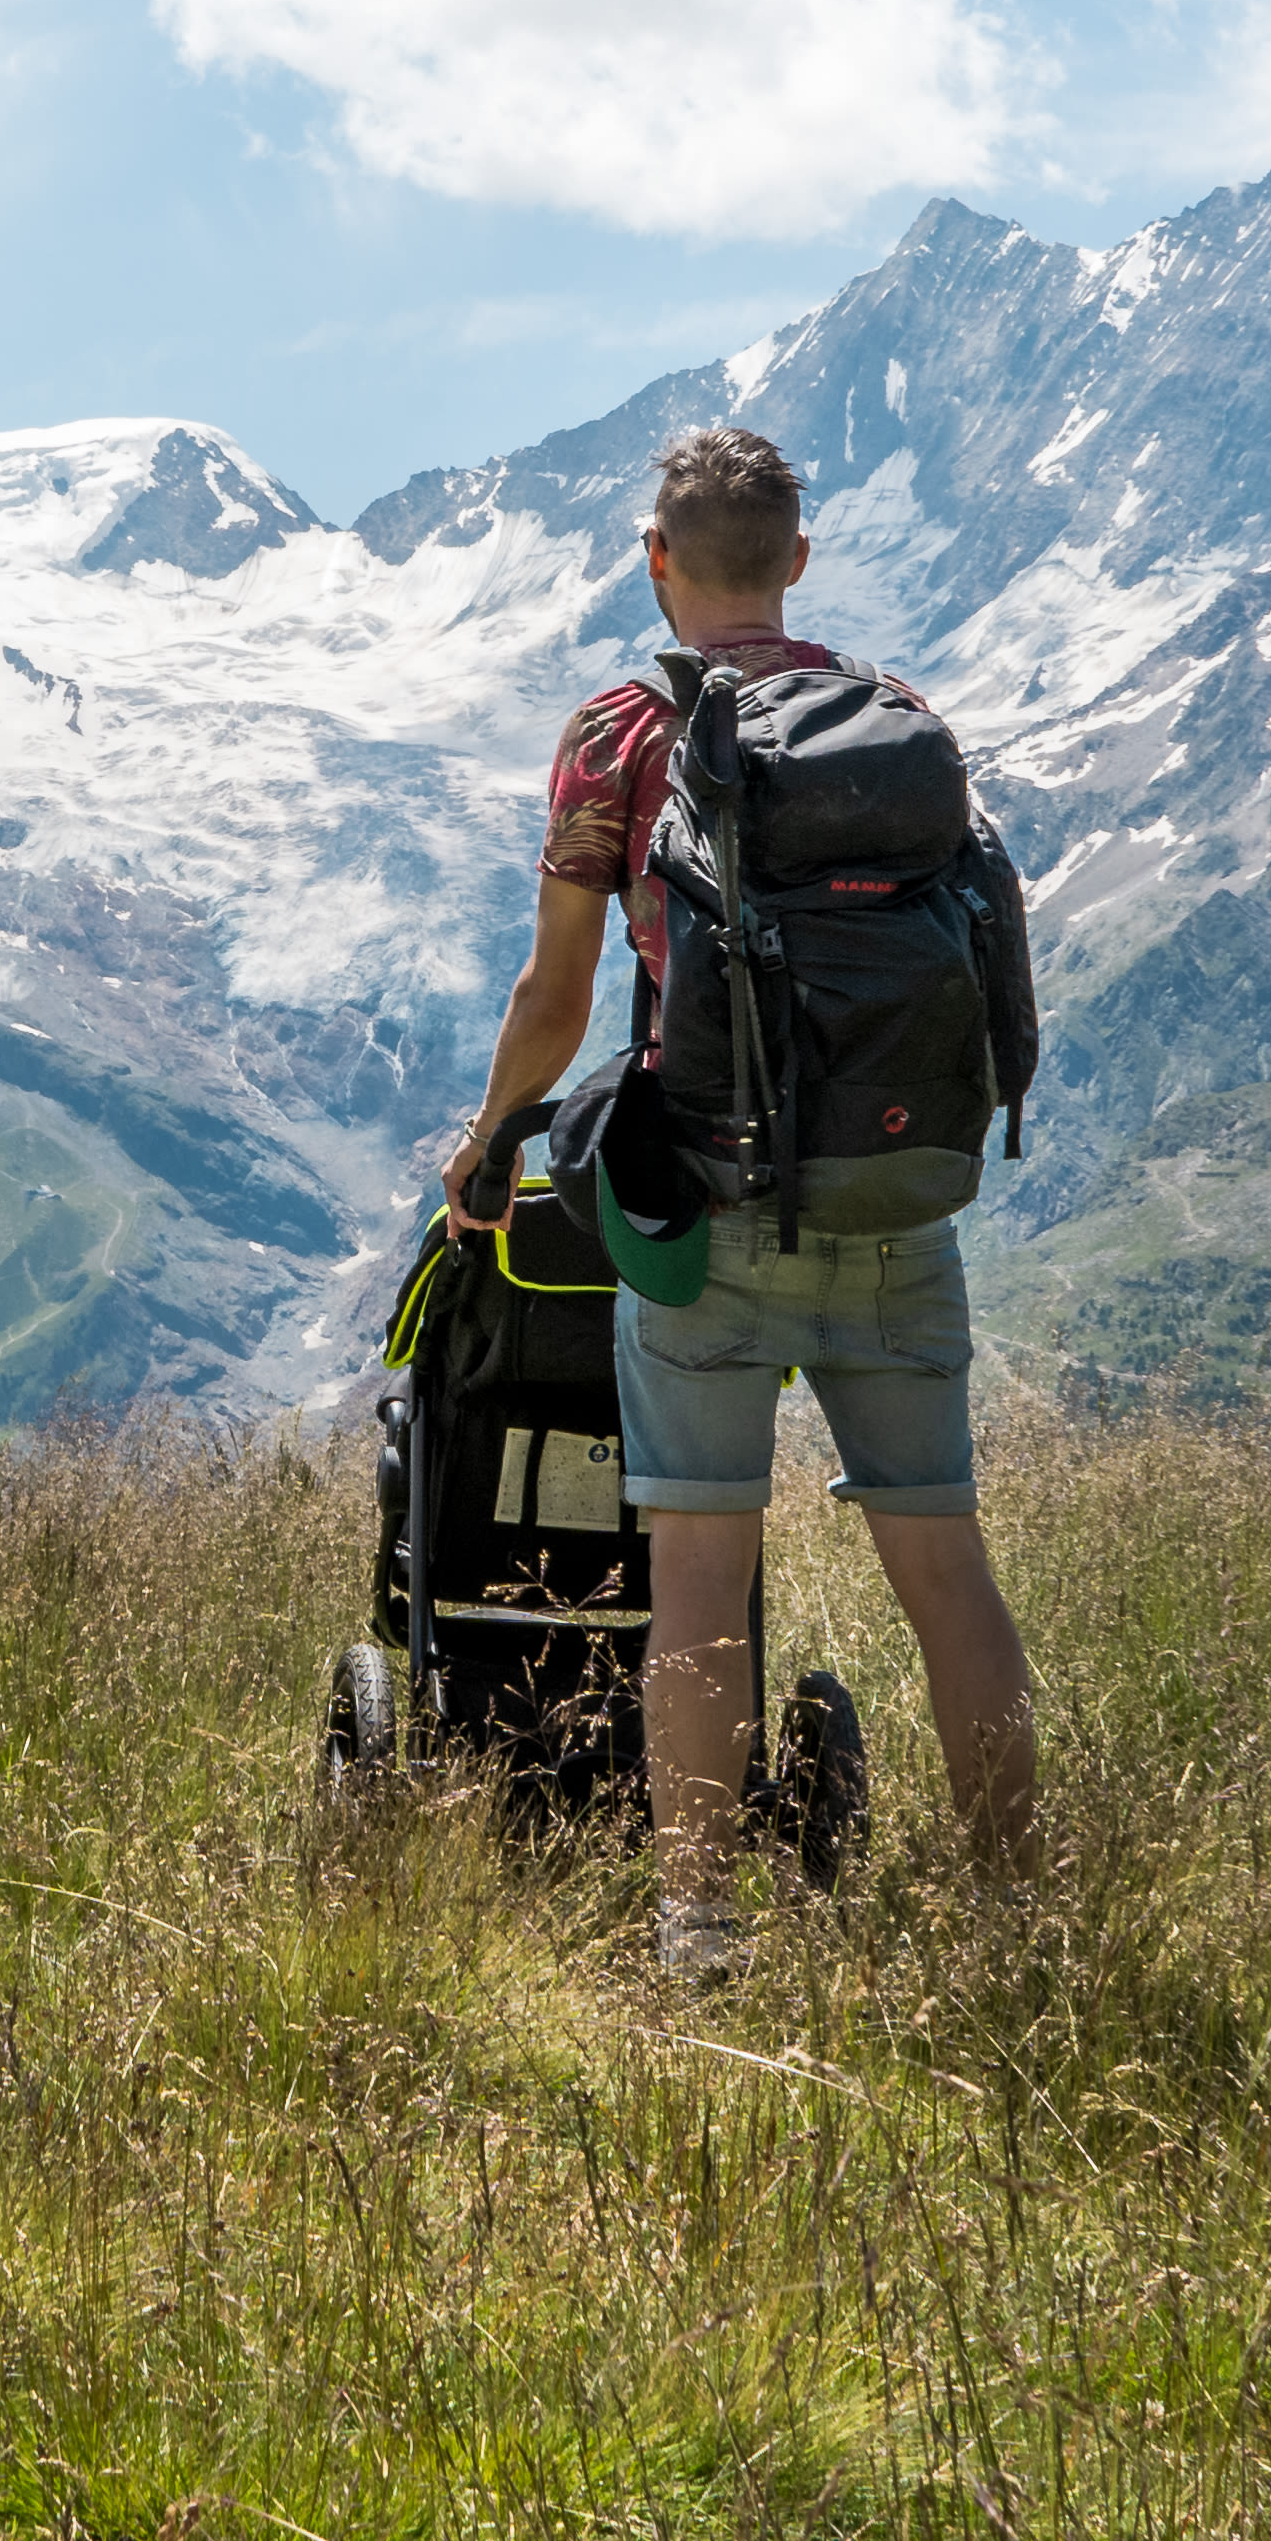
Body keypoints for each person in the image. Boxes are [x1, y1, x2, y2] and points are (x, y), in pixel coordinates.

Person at [441, 424, 1036, 1979]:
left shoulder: (619, 735)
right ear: (799, 560)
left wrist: (490, 1136)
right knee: (948, 1572)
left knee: (696, 1582)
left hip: (703, 1212)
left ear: (657, 561)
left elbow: (558, 994)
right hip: (895, 1201)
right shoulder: (896, 718)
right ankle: (1013, 1914)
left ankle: (700, 1931)